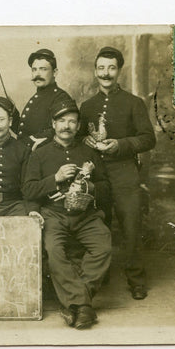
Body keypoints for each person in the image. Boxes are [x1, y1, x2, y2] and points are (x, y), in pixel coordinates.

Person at [22, 98, 112, 329]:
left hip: (86, 216)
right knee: (54, 250)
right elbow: (29, 190)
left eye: (72, 121)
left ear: (78, 125)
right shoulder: (39, 154)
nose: (67, 126)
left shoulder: (88, 151)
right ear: (53, 124)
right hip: (54, 215)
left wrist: (90, 188)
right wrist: (56, 179)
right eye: (61, 121)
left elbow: (106, 187)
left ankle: (74, 302)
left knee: (103, 246)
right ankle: (83, 305)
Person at [79, 46, 156, 300]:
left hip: (124, 172)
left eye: (111, 67)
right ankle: (101, 276)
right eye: (101, 68)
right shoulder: (87, 106)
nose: (106, 73)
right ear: (95, 71)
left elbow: (148, 139)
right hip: (96, 174)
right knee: (97, 225)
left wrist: (120, 145)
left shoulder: (134, 103)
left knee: (131, 225)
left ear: (119, 70)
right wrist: (86, 143)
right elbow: (79, 138)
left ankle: (136, 279)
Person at [15, 49, 72, 151]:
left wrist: (25, 144)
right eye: (34, 69)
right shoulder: (37, 97)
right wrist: (13, 115)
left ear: (55, 72)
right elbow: (26, 130)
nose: (37, 74)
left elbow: (59, 131)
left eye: (43, 69)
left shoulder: (61, 97)